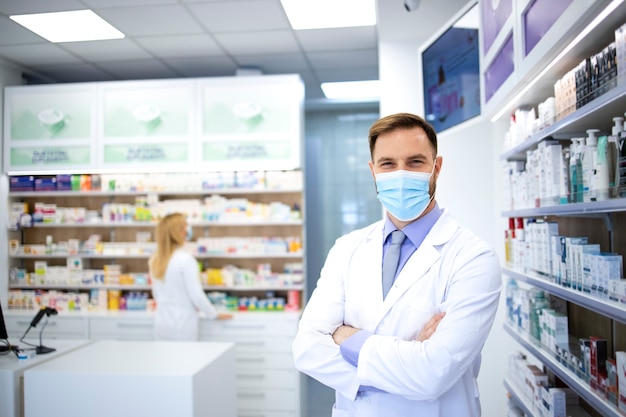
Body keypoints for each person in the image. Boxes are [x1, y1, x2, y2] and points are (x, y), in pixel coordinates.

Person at [292, 112, 502, 416]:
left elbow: (433, 373)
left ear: (436, 168)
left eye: (415, 162)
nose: (401, 173)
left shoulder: (473, 258)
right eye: (388, 164)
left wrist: (347, 338)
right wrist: (405, 361)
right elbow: (307, 350)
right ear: (373, 171)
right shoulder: (347, 249)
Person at [149, 212, 232, 341]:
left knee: (164, 359)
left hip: (162, 320)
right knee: (184, 359)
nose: (189, 229)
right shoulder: (185, 260)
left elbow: (156, 294)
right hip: (182, 322)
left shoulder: (155, 259)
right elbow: (196, 295)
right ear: (179, 232)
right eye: (186, 226)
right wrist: (214, 314)